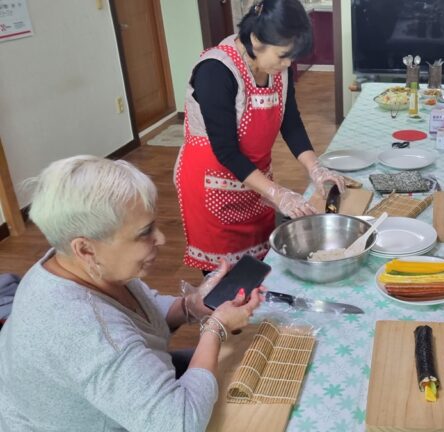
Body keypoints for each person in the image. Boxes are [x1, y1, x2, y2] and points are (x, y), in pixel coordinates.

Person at [0, 156, 263, 431]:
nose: (161, 238)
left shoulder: (76, 265)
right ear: (86, 249)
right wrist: (215, 328)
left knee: (239, 360)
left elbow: (143, 314)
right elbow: (179, 423)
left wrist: (192, 305)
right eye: (144, 233)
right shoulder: (82, 328)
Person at [175, 0, 346, 272]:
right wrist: (278, 194)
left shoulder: (277, 68)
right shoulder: (216, 71)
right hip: (213, 189)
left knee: (259, 270)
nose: (289, 63)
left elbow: (290, 123)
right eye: (283, 56)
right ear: (255, 40)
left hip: (255, 184)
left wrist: (316, 167)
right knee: (225, 281)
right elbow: (226, 151)